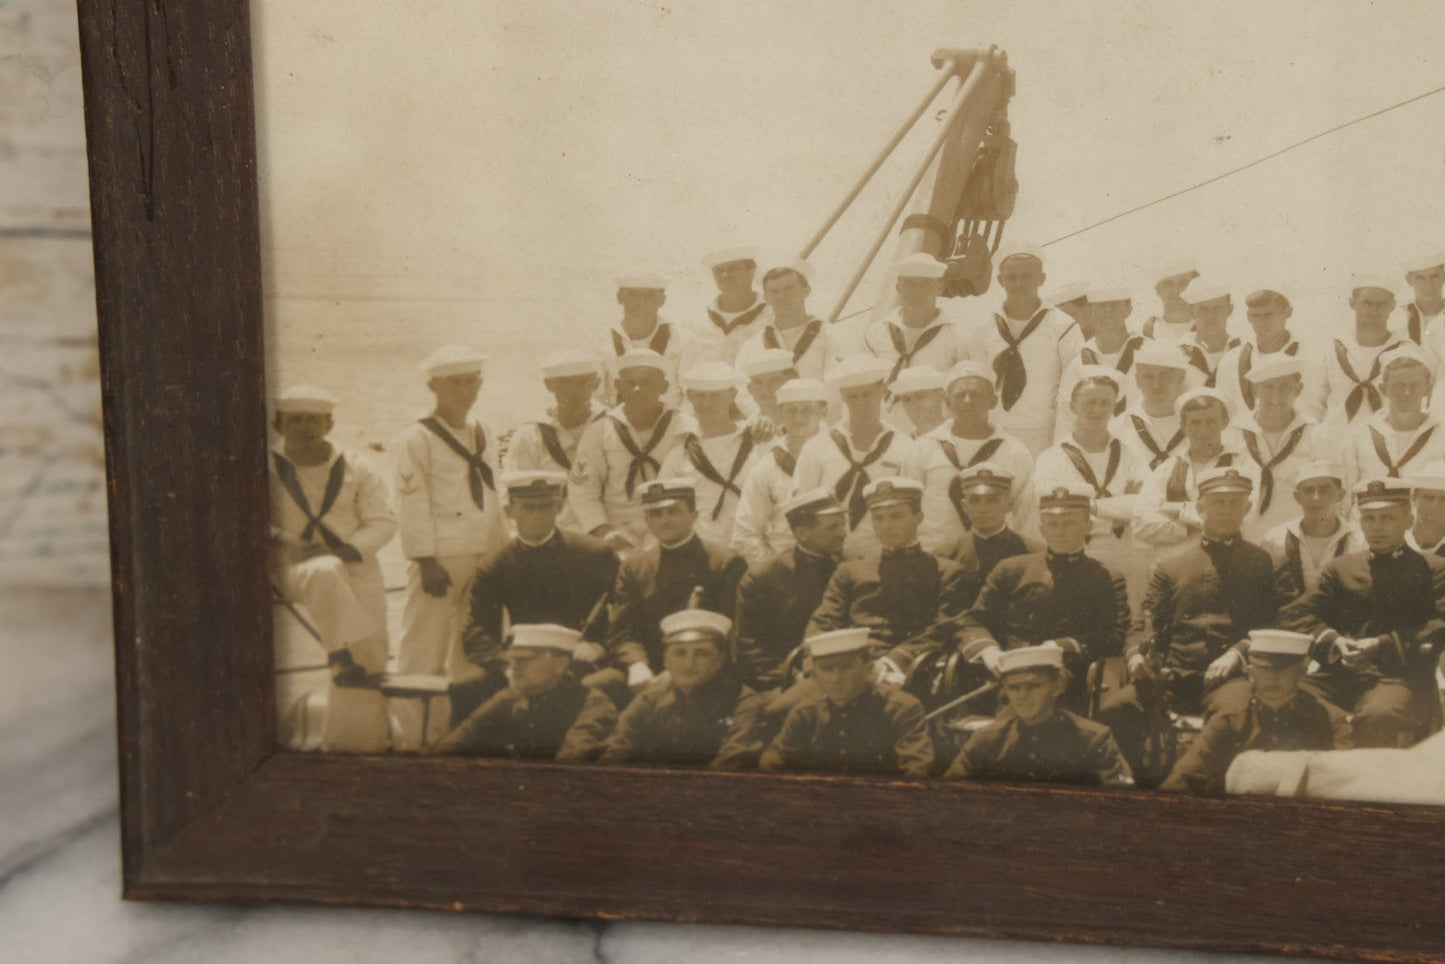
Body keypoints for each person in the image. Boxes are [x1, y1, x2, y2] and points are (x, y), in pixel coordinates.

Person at [391, 345, 508, 750]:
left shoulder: (484, 430)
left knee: (472, 648)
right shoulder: (416, 437)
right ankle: (414, 737)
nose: (464, 390)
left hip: (484, 553)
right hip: (439, 559)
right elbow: (411, 502)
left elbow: (493, 494)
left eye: (470, 382)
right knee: (421, 649)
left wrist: (501, 551)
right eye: (454, 383)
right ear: (433, 386)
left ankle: (461, 733)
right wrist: (423, 559)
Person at [269, 385, 396, 753]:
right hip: (293, 569)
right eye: (295, 420)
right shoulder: (261, 467)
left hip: (355, 566)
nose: (304, 427)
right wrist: (286, 541)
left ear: (329, 424)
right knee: (324, 571)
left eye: (313, 420)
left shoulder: (358, 466)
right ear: (278, 423)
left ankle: (354, 746)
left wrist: (348, 549)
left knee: (371, 658)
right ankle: (340, 653)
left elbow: (383, 521)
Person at [1281, 477, 1445, 748]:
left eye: (1387, 518)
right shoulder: (1342, 568)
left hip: (1401, 677)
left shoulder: (1434, 569)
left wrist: (1382, 645)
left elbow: (1440, 626)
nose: (1377, 527)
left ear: (1408, 519)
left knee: (1377, 715)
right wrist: (1334, 641)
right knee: (1290, 698)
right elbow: (1295, 616)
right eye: (1369, 519)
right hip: (1340, 673)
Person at [947, 484, 1130, 711]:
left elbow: (1113, 634)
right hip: (1004, 669)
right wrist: (989, 651)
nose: (1060, 531)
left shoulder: (1106, 577)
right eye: (1052, 524)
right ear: (1042, 529)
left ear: (1088, 526)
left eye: (1069, 522)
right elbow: (972, 621)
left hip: (1066, 677)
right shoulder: (1011, 569)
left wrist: (1060, 646)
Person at [455, 471, 619, 722]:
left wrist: (600, 646)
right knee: (466, 687)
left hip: (581, 659)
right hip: (520, 661)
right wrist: (507, 661)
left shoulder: (594, 554)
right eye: (529, 508)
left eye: (546, 507)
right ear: (510, 511)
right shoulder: (496, 565)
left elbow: (624, 615)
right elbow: (476, 628)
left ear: (560, 506)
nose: (538, 516)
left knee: (597, 688)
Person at [1126, 467, 1283, 723]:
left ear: (1247, 508)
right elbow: (1144, 623)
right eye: (1218, 502)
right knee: (1116, 710)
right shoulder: (1171, 566)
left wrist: (1238, 652)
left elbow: (1275, 622)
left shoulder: (1263, 562)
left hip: (1231, 678)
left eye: (1235, 503)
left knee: (1232, 715)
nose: (1226, 510)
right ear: (1200, 509)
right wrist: (1136, 656)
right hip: (1173, 676)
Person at [805, 477, 973, 679]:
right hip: (843, 673)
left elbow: (940, 630)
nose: (887, 526)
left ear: (919, 517)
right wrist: (814, 665)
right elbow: (823, 624)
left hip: (910, 672)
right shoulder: (850, 571)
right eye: (878, 518)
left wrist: (894, 662)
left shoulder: (946, 572)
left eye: (896, 516)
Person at [1158, 629, 1347, 794]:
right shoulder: (1231, 720)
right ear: (1250, 672)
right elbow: (1183, 779)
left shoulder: (1329, 720)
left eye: (1283, 671)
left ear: (1301, 673)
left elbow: (1346, 783)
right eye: (1265, 669)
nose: (1273, 678)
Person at [604, 479, 748, 686]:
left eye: (673, 512)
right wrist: (636, 664)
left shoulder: (725, 563)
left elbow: (731, 635)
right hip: (648, 673)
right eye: (656, 514)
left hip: (705, 670)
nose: (665, 521)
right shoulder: (635, 567)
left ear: (694, 515)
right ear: (646, 519)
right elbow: (621, 633)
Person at [1035, 368, 1151, 608]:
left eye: (1105, 402)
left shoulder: (1131, 455)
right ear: (1073, 406)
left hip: (1125, 553)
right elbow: (1058, 512)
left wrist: (1091, 507)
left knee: (1130, 623)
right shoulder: (1052, 458)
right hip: (1077, 553)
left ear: (1114, 407)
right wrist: (1119, 510)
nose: (1097, 410)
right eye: (1089, 402)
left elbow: (1145, 505)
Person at [943, 643, 1133, 787]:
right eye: (1014, 688)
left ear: (1056, 687)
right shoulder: (988, 740)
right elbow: (949, 792)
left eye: (1033, 686)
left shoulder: (1093, 739)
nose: (1022, 696)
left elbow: (1122, 797)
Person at [599, 609, 766, 769]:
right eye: (679, 653)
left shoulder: (742, 702)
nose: (689, 664)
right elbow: (616, 752)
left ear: (720, 659)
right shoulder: (651, 698)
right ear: (666, 660)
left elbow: (731, 765)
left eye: (701, 653)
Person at [759, 626, 933, 777]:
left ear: (868, 669)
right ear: (815, 674)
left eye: (845, 667)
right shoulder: (806, 712)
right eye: (826, 669)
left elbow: (917, 770)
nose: (836, 678)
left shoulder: (902, 709)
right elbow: (774, 759)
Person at [569, 348, 696, 555]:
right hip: (617, 530)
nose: (637, 389)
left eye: (647, 382)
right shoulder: (600, 431)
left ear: (663, 386)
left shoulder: (684, 426)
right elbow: (583, 489)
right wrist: (603, 530)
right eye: (630, 382)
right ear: (618, 386)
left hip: (671, 528)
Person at [905, 359, 1036, 555]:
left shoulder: (1015, 452)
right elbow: (909, 507)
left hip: (998, 558)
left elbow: (1026, 516)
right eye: (960, 395)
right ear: (947, 402)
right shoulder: (923, 448)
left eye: (976, 394)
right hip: (937, 558)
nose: (967, 401)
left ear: (993, 401)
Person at [792, 355, 917, 560]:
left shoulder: (904, 447)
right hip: (827, 559)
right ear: (843, 396)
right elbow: (801, 508)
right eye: (853, 397)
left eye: (867, 395)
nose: (861, 404)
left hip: (885, 557)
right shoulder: (817, 447)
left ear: (881, 391)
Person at [432, 624, 618, 761]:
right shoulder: (511, 697)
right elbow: (457, 742)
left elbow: (569, 766)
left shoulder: (593, 707)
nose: (514, 668)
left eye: (524, 660)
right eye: (513, 661)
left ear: (560, 664)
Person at [964, 243, 1084, 453]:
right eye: (1011, 277)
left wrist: (1063, 444)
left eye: (1027, 276)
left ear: (1041, 279)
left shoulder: (1064, 326)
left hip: (1043, 435)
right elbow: (977, 385)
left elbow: (1072, 390)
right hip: (993, 432)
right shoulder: (983, 326)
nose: (1018, 284)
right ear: (1000, 280)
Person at [733, 490, 847, 692]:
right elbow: (752, 649)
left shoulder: (851, 568)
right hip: (790, 685)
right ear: (802, 533)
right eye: (833, 527)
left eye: (842, 524)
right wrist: (794, 678)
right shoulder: (763, 579)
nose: (842, 533)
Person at [1131, 388, 1248, 552]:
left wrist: (1178, 511)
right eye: (1195, 422)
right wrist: (1185, 530)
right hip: (1177, 566)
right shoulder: (1167, 469)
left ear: (1224, 422)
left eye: (1211, 421)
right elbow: (1141, 523)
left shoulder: (1242, 465)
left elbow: (1247, 517)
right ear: (1183, 426)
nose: (1203, 430)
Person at [502, 349, 606, 532]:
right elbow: (515, 495)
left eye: (582, 382)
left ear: (595, 384)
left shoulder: (613, 427)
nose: (575, 392)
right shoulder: (530, 436)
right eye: (565, 383)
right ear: (549, 385)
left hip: (606, 530)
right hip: (553, 535)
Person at [659, 361, 760, 548]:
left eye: (715, 396)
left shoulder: (757, 442)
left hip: (753, 548)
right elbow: (666, 507)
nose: (706, 404)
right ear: (689, 396)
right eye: (700, 396)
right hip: (703, 553)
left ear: (732, 395)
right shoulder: (680, 454)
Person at [731, 377, 828, 565]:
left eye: (807, 409)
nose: (799, 418)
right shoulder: (767, 466)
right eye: (791, 410)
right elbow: (746, 531)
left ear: (823, 411)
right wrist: (777, 569)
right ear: (781, 413)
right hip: (785, 565)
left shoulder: (841, 456)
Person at [1233, 355, 1322, 540]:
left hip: (1296, 542)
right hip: (1243, 541)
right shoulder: (1233, 434)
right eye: (1268, 387)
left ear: (1298, 390)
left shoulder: (1316, 435)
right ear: (1254, 390)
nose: (1275, 397)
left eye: (1284, 387)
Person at [1340, 344, 1445, 487]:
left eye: (1415, 385)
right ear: (1383, 389)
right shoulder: (1359, 434)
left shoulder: (1441, 434)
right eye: (1399, 385)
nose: (1407, 393)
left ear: (1428, 389)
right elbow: (1346, 492)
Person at [862, 252, 970, 389]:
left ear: (939, 288)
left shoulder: (959, 336)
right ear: (898, 288)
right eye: (910, 283)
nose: (918, 291)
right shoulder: (876, 333)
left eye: (926, 284)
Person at [1258, 462, 1363, 600]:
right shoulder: (1274, 539)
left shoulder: (1360, 541)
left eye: (1325, 490)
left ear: (1340, 495)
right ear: (1297, 497)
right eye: (1308, 490)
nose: (1316, 498)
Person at [1214, 289, 1323, 422]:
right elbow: (1223, 410)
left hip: (1303, 437)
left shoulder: (1312, 357)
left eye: (1269, 314)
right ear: (1248, 316)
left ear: (1288, 313)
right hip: (1245, 439)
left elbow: (1323, 406)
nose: (1262, 322)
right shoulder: (1231, 360)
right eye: (1256, 316)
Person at [1055, 286, 1144, 440]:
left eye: (1115, 304)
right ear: (1091, 311)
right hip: (1097, 448)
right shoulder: (1079, 364)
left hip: (1143, 446)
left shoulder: (1149, 352)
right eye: (1102, 306)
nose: (1108, 311)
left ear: (1128, 309)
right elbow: (1066, 417)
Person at [600, 273, 700, 409]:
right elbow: (596, 397)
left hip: (671, 425)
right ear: (620, 298)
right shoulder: (601, 342)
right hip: (616, 425)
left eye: (649, 295)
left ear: (662, 300)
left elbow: (692, 396)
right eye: (634, 294)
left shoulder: (684, 340)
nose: (641, 302)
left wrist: (673, 427)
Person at [1319, 276, 1407, 429]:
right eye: (1367, 303)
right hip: (1335, 442)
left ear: (1392, 306)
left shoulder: (1406, 351)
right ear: (1352, 303)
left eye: (1382, 304)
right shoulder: (1329, 350)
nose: (1374, 310)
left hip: (1384, 444)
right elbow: (1313, 405)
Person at [734, 258, 840, 382]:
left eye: (789, 289)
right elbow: (741, 391)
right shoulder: (752, 346)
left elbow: (840, 387)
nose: (781, 297)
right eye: (774, 292)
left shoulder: (830, 336)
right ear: (766, 298)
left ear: (807, 291)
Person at [944, 463, 1042, 587]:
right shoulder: (947, 556)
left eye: (992, 500)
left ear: (1008, 504)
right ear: (964, 506)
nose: (982, 509)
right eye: (974, 500)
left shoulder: (1033, 553)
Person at [1111, 340, 1192, 471]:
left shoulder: (1199, 423)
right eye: (1148, 377)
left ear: (1181, 378)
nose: (1157, 385)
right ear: (1137, 381)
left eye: (1165, 376)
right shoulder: (1118, 428)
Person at [699, 246, 771, 364]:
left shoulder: (773, 316)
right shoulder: (696, 321)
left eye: (733, 268)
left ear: (751, 271)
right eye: (718, 270)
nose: (725, 275)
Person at [1175, 284, 1240, 388]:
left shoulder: (1243, 350)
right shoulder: (1177, 353)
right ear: (1191, 312)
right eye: (1203, 309)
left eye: (1217, 308)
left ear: (1230, 309)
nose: (1211, 316)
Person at [738, 347, 799, 430]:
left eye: (775, 380)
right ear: (750, 389)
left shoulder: (811, 427)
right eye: (758, 382)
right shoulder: (745, 431)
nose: (766, 389)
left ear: (792, 383)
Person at [1139, 260, 1200, 342]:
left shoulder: (1208, 328)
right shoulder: (1145, 332)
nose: (1176, 290)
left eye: (1184, 282)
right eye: (1168, 284)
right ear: (1158, 289)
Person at [889, 365, 947, 438]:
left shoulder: (959, 437)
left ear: (941, 393)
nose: (913, 406)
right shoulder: (900, 443)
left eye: (920, 396)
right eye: (907, 399)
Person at [1403, 252, 1445, 351]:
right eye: (1420, 277)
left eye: (1434, 276)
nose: (1428, 284)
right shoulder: (1396, 317)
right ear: (1408, 280)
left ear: (1444, 276)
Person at [1407, 462, 1445, 556]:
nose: (1435, 507)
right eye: (1429, 498)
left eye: (1444, 499)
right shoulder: (1393, 538)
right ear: (1414, 498)